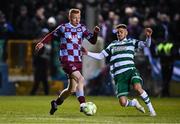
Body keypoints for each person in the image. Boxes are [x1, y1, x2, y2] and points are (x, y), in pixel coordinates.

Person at [35, 8, 100, 115]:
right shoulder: (63, 28)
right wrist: (42, 42)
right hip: (67, 60)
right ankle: (83, 105)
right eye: (75, 18)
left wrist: (95, 33)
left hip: (77, 60)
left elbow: (92, 41)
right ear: (70, 18)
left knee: (71, 89)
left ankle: (56, 103)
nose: (77, 20)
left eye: (79, 18)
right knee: (81, 79)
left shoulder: (82, 28)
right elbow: (51, 35)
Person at [82, 24, 156, 116]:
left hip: (130, 71)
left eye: (121, 32)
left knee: (137, 88)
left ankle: (152, 110)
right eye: (117, 32)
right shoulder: (113, 45)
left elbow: (146, 45)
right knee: (123, 103)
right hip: (119, 76)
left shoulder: (132, 42)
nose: (119, 34)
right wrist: (87, 53)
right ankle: (134, 103)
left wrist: (148, 37)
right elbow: (101, 55)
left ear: (126, 33)